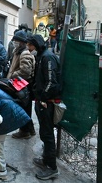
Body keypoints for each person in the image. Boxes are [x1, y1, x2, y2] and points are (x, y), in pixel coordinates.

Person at [27, 34, 61, 180]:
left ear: (36, 44)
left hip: (46, 102)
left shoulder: (47, 57)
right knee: (44, 132)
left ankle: (52, 167)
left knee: (47, 134)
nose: (29, 48)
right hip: (42, 101)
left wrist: (43, 98)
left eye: (30, 45)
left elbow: (50, 82)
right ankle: (46, 160)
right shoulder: (42, 56)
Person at [6, 31, 36, 139]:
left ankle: (25, 131)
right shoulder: (17, 52)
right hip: (18, 84)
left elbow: (25, 72)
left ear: (22, 42)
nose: (15, 43)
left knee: (23, 109)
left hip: (23, 86)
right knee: (23, 108)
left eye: (16, 41)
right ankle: (28, 129)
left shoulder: (25, 54)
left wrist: (13, 75)